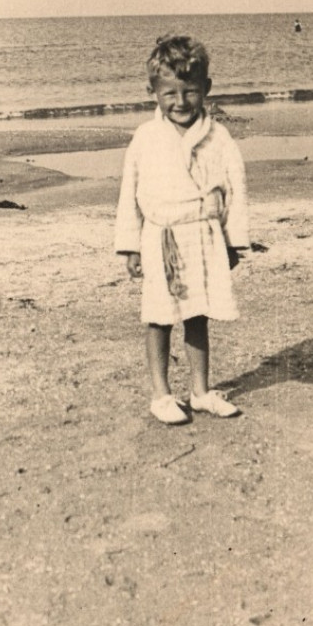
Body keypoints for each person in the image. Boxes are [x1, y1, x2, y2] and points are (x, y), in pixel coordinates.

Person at [115, 35, 249, 425]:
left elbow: (235, 190)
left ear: (206, 88)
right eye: (169, 93)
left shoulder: (218, 137)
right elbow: (129, 194)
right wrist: (131, 247)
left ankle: (201, 391)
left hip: (204, 234)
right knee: (159, 315)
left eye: (190, 92)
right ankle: (161, 394)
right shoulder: (145, 137)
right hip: (161, 237)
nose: (180, 102)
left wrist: (232, 240)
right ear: (152, 92)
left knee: (198, 313)